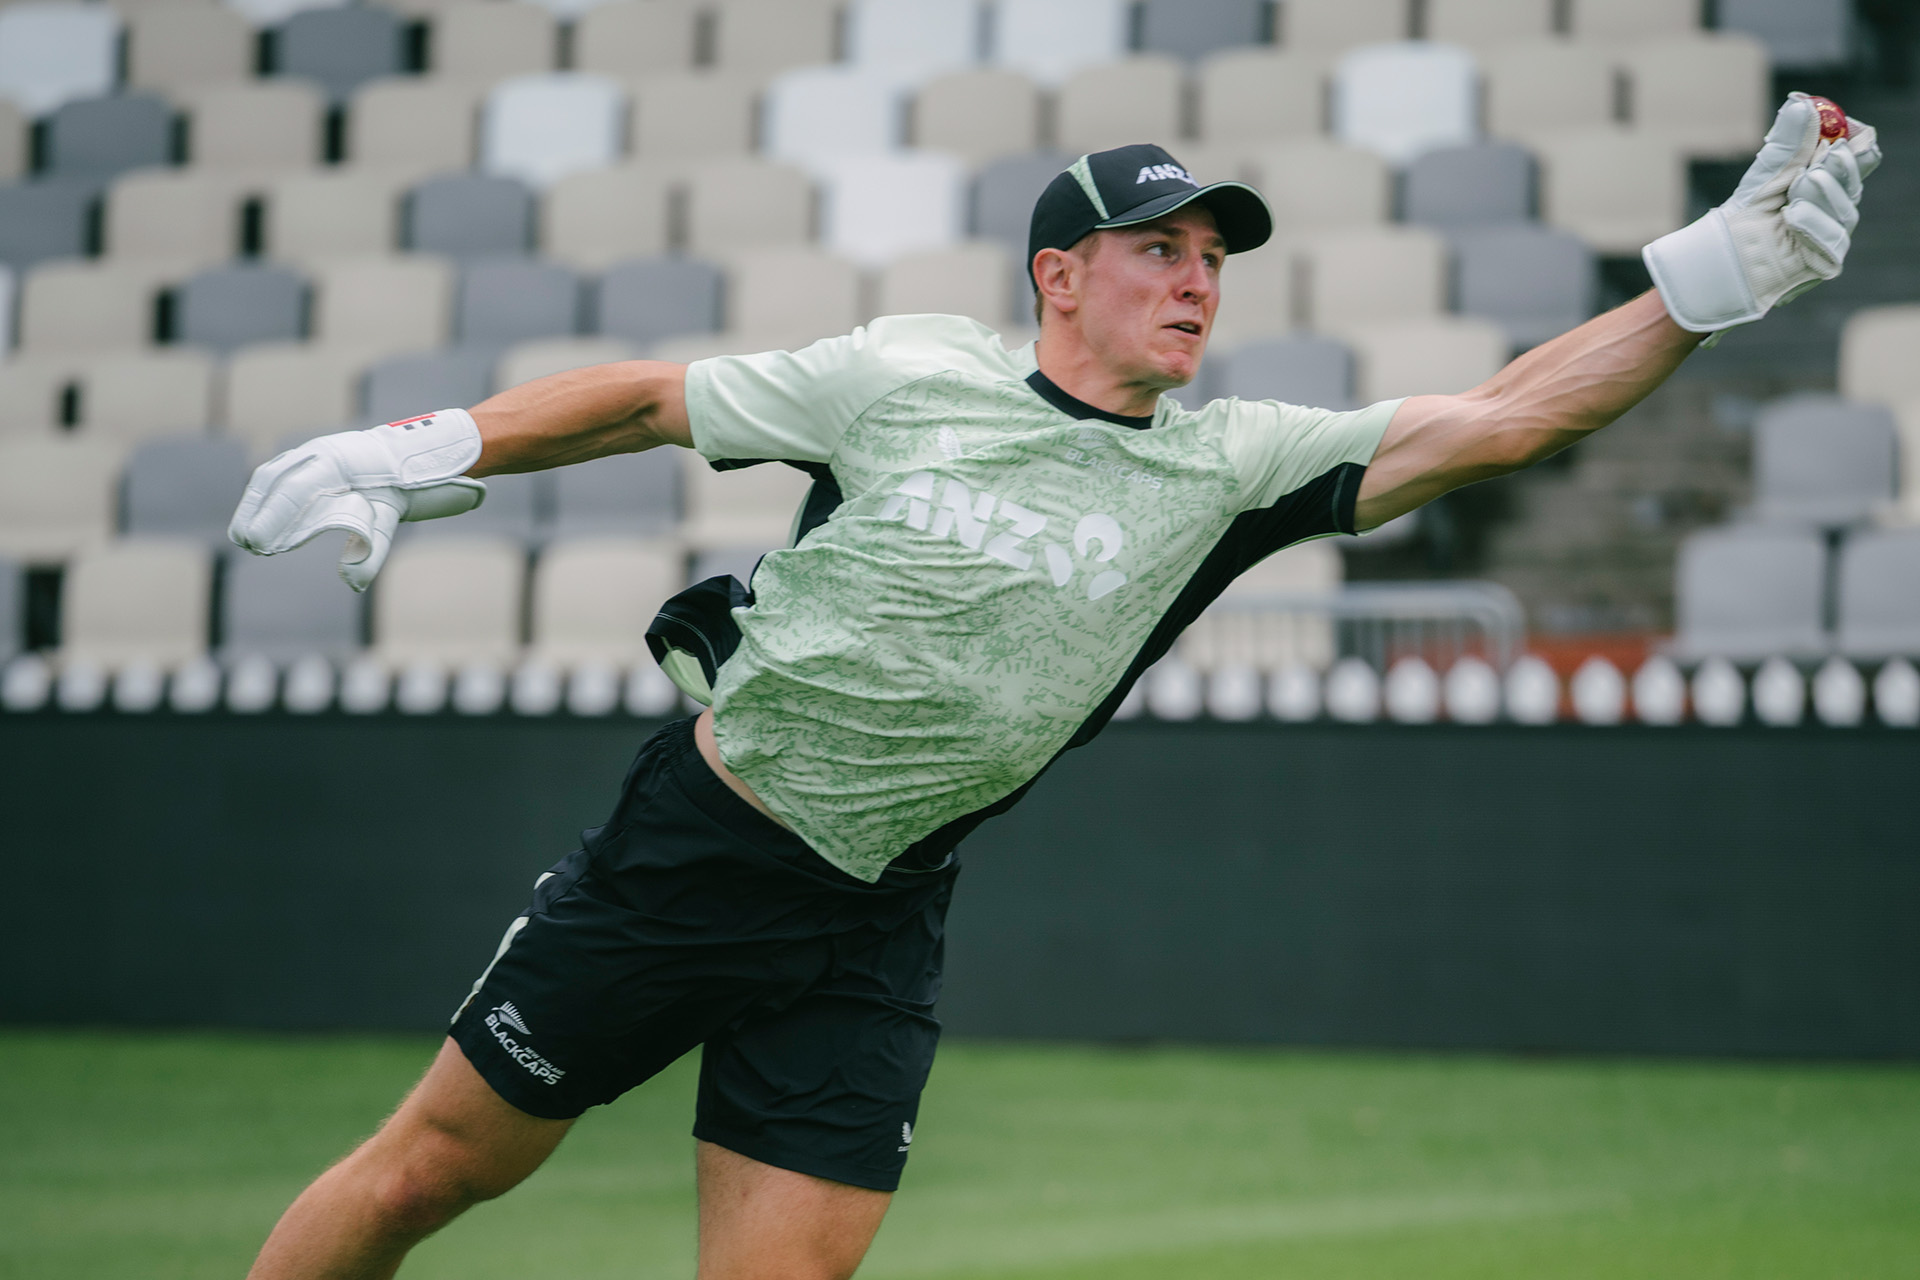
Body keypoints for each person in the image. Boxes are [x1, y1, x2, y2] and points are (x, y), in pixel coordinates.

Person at [231, 103, 1877, 1279]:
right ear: (1059, 276)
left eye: (1212, 258)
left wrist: (1706, 282)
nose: (1197, 279)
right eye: (1158, 248)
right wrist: (423, 449)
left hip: (876, 912)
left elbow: (1507, 419)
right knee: (427, 1178)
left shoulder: (1235, 465)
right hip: (694, 855)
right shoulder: (907, 371)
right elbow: (651, 400)